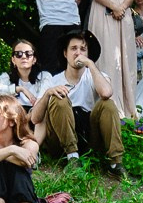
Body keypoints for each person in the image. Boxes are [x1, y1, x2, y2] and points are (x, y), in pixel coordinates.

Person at [35, 30, 125, 178]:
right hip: (60, 142)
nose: (78, 53)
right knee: (59, 99)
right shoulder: (52, 80)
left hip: (89, 137)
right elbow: (35, 119)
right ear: (65, 53)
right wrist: (48, 94)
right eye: (73, 48)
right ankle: (73, 158)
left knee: (107, 104)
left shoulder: (96, 76)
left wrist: (90, 64)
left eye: (83, 49)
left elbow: (106, 92)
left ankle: (115, 163)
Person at [83, 0, 139, 121]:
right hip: (102, 12)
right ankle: (107, 106)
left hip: (122, 16)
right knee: (106, 56)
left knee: (125, 59)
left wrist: (121, 7)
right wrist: (113, 7)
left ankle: (128, 108)